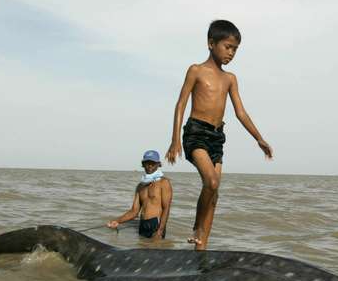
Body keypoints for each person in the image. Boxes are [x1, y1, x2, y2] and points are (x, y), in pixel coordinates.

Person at [165, 19, 272, 250]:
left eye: (235, 49)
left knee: (214, 195)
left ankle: (201, 248)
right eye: (227, 47)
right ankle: (196, 227)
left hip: (217, 137)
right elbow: (181, 104)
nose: (231, 53)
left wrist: (259, 138)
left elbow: (240, 113)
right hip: (196, 133)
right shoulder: (196, 70)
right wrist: (175, 140)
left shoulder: (230, 79)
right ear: (211, 43)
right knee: (211, 182)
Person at [107, 150, 173, 239]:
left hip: (156, 224)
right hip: (142, 224)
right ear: (143, 164)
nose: (149, 165)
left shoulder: (164, 182)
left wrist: (160, 231)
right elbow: (134, 212)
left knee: (155, 250)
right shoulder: (140, 186)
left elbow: (166, 208)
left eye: (152, 163)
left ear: (158, 164)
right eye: (147, 163)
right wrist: (117, 221)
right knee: (142, 246)